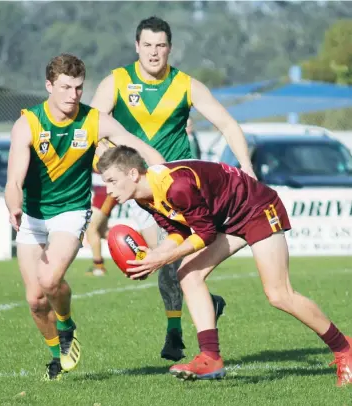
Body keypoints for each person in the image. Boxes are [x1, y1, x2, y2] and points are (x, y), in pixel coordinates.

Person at [97, 145, 352, 386]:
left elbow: (205, 234)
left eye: (111, 181)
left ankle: (344, 349)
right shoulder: (144, 197)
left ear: (133, 173)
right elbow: (178, 231)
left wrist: (164, 259)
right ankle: (210, 358)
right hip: (228, 219)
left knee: (279, 295)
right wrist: (154, 255)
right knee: (188, 274)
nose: (107, 190)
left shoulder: (175, 186)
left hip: (256, 209)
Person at [91, 16, 255, 361]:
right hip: (140, 188)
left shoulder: (185, 84)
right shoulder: (116, 82)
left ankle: (175, 334)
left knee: (170, 261)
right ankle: (206, 308)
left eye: (160, 46)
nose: (154, 53)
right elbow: (91, 128)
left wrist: (247, 166)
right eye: (147, 45)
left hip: (180, 187)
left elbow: (226, 122)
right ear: (137, 47)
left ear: (170, 48)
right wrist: (103, 158)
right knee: (167, 264)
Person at [4, 54, 164, 381]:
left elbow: (132, 143)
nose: (72, 95)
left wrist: (162, 170)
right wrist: (14, 204)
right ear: (49, 86)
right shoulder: (28, 123)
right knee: (35, 300)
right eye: (65, 87)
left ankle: (65, 323)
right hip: (33, 215)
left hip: (71, 211)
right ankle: (57, 354)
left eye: (78, 88)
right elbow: (13, 180)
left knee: (50, 281)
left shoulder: (94, 120)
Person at [86, 141, 118, 276]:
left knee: (91, 227)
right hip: (100, 192)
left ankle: (98, 266)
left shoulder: (110, 144)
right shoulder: (93, 140)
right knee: (102, 230)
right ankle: (137, 244)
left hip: (107, 193)